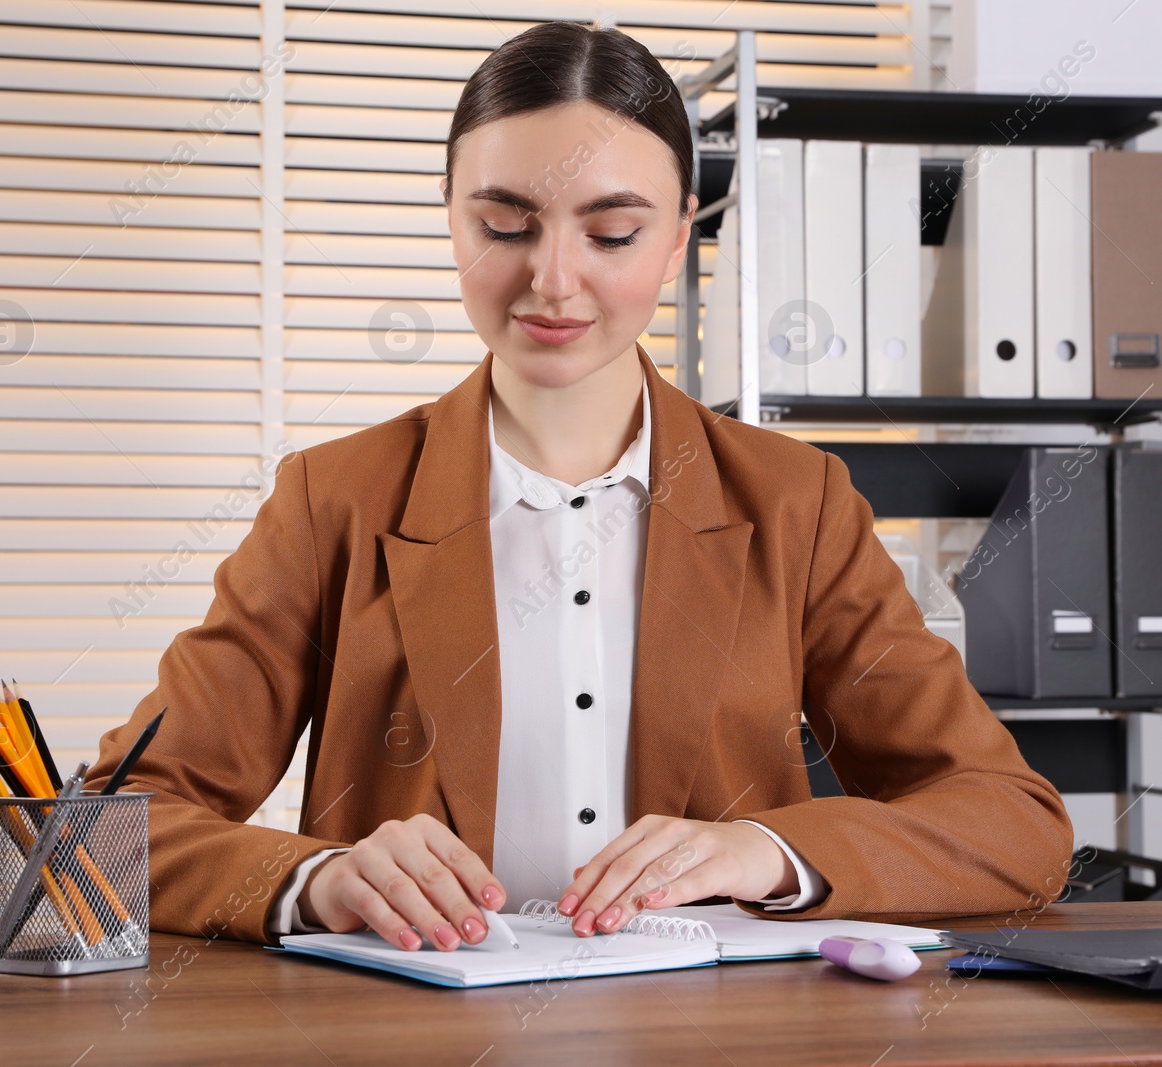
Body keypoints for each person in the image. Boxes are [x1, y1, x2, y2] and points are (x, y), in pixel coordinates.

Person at [86, 21, 1073, 952]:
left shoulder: (796, 500)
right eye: (505, 224)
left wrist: (769, 853)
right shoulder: (334, 498)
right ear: (451, 219)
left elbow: (1010, 822)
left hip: (723, 1043)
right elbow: (102, 830)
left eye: (611, 234)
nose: (552, 281)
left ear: (682, 230)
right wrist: (317, 879)